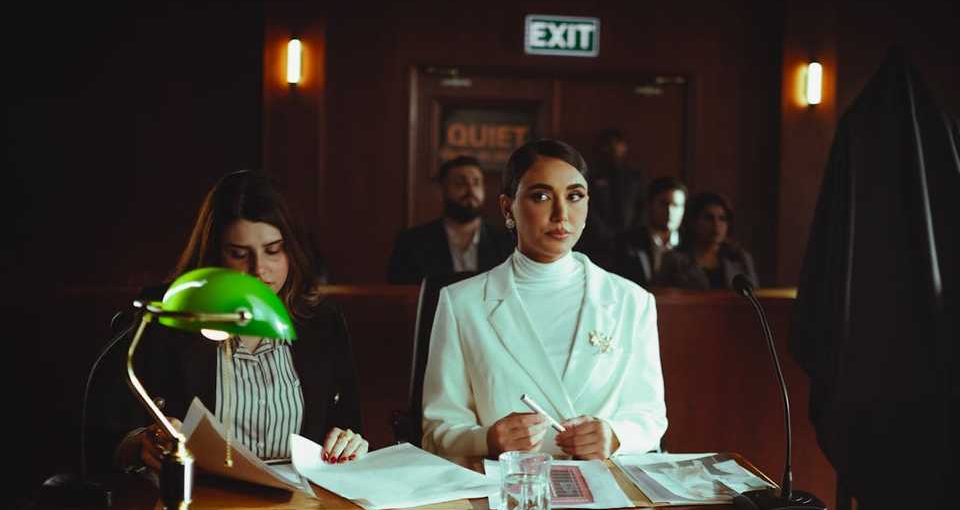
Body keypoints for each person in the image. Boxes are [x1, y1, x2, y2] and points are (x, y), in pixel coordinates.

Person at [102, 170, 367, 472]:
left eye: (273, 251)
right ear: (214, 254)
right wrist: (141, 443)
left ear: (292, 250)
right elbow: (113, 435)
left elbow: (348, 423)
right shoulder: (172, 316)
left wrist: (349, 442)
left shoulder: (322, 322)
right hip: (202, 500)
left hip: (300, 504)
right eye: (239, 254)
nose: (258, 270)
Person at [421, 139, 667, 459]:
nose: (561, 214)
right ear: (508, 208)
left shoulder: (632, 301)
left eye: (575, 196)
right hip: (506, 490)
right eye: (541, 196)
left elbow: (649, 416)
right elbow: (439, 427)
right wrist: (488, 440)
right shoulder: (461, 303)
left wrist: (615, 437)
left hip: (604, 490)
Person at [387, 155, 514, 284]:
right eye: (460, 183)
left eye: (476, 182)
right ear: (442, 190)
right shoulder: (412, 243)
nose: (470, 190)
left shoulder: (507, 242)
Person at [655, 191, 759, 290]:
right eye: (709, 218)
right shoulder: (674, 260)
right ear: (693, 222)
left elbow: (754, 297)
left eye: (722, 218)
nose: (716, 225)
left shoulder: (740, 258)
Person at [575, 129, 645, 267]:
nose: (613, 150)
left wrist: (632, 234)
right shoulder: (591, 177)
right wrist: (604, 234)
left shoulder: (635, 178)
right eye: (608, 146)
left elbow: (642, 207)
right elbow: (588, 206)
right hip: (597, 242)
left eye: (617, 145)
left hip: (630, 241)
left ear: (624, 147)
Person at [613, 177, 687, 287]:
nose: (669, 211)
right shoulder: (626, 243)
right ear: (650, 204)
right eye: (664, 204)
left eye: (676, 205)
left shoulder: (690, 245)